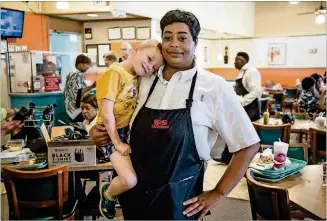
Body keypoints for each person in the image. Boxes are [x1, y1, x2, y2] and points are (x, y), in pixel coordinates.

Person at [90, 9, 260, 220]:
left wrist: (219, 192)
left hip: (181, 203)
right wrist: (96, 133)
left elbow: (248, 143)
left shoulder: (213, 86)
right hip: (135, 198)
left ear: (195, 42)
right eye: (167, 37)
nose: (174, 44)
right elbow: (111, 115)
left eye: (182, 37)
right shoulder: (142, 79)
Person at [96, 40, 164, 219]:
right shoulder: (114, 72)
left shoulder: (135, 75)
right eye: (149, 59)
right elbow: (106, 113)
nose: (149, 67)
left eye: (154, 67)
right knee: (129, 180)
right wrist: (117, 142)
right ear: (135, 50)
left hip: (128, 133)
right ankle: (108, 193)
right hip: (111, 134)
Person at [219, 52, 262, 164]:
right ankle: (227, 157)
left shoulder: (251, 72)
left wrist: (242, 101)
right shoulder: (243, 72)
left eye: (236, 60)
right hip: (244, 106)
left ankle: (243, 160)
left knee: (247, 133)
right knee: (235, 130)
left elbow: (256, 91)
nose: (234, 62)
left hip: (251, 107)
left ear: (242, 61)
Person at [64, 54, 95, 123]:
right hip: (76, 111)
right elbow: (79, 92)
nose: (88, 67)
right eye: (87, 64)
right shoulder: (78, 75)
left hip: (70, 109)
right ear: (81, 64)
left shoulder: (70, 74)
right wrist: (92, 87)